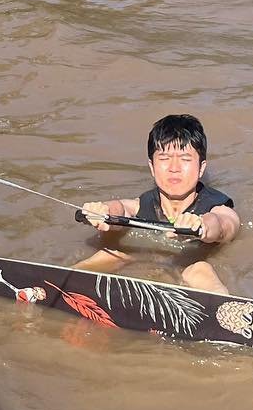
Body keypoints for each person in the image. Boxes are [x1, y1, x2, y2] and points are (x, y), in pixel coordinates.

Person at [79, 112, 239, 296]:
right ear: (152, 167)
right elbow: (121, 207)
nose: (174, 168)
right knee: (112, 254)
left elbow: (224, 224)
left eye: (185, 159)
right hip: (149, 267)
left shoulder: (216, 205)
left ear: (201, 168)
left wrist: (202, 225)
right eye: (164, 159)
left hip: (192, 270)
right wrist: (103, 211)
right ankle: (55, 284)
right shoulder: (144, 203)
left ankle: (225, 311)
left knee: (199, 269)